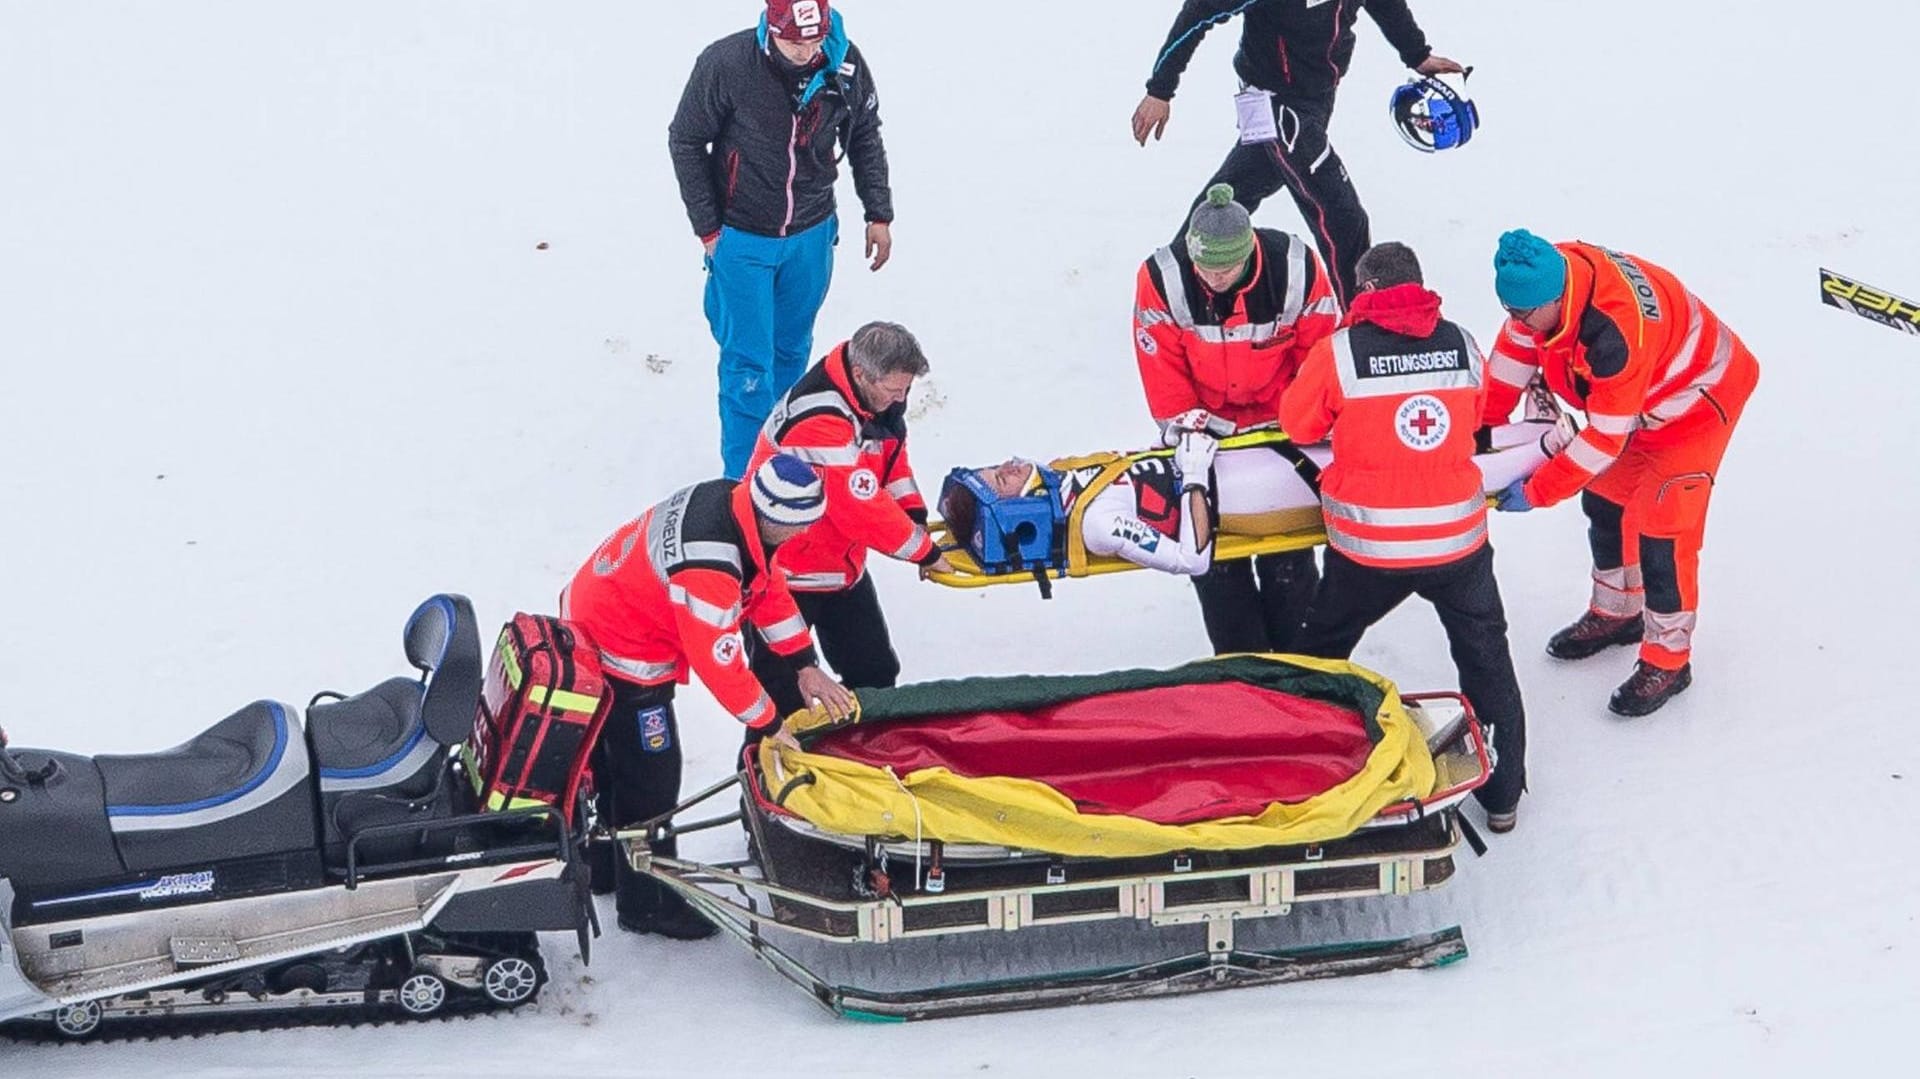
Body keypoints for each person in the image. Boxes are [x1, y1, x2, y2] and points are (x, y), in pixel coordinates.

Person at [1276, 241, 1526, 832]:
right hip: (1458, 546)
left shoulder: (1340, 353)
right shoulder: (1463, 342)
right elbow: (1477, 415)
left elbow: (1297, 423)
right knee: (1487, 659)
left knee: (1319, 656)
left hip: (1370, 551)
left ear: (1364, 291)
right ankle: (1505, 796)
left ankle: (1299, 769)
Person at [561, 453, 855, 938]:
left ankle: (606, 865)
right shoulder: (710, 565)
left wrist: (804, 664)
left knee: (616, 764)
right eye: (803, 527)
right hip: (623, 646)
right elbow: (719, 659)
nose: (806, 536)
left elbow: (765, 588)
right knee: (651, 777)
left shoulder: (737, 503)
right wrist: (770, 724)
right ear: (779, 520)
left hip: (603, 604)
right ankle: (647, 904)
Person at [1483, 230, 1760, 717]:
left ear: (1555, 300)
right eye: (1509, 311)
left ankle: (1668, 659)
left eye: (1523, 314)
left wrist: (1536, 490)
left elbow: (1603, 441)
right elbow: (1510, 362)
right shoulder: (1543, 288)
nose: (1516, 322)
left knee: (1663, 534)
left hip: (1695, 404)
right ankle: (1617, 612)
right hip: (1638, 404)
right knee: (1606, 502)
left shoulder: (1614, 333)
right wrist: (1479, 433)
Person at [669, 0, 895, 479]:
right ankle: (742, 483)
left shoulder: (846, 63)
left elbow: (865, 136)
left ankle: (786, 465)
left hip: (812, 235)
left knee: (792, 352)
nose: (806, 50)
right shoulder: (726, 64)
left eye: (815, 39)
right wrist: (709, 227)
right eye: (793, 41)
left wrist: (878, 212)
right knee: (747, 367)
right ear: (770, 30)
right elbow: (686, 139)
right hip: (742, 237)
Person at [940, 412, 1566, 579]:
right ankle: (1546, 449)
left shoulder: (1071, 484)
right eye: (1000, 476)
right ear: (1014, 511)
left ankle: (1526, 430)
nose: (1010, 464)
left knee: (1382, 431)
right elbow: (1193, 557)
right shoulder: (1099, 523)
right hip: (1251, 494)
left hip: (1242, 460)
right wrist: (1188, 473)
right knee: (1403, 476)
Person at [1131, 1, 1464, 305]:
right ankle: (1363, 320)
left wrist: (1416, 53)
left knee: (1237, 189)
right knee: (1342, 215)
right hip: (1274, 103)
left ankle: (1166, 286)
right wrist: (1160, 90)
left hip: (1316, 100)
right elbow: (1198, 13)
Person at [1134, 183, 1341, 654]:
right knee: (1214, 564)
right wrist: (1196, 439)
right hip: (1203, 432)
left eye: (1225, 268)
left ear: (1248, 252)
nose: (1214, 278)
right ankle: (1240, 664)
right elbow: (1164, 377)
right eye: (1204, 268)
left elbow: (1319, 361)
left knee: (1287, 556)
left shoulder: (1297, 269)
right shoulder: (1161, 280)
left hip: (1283, 431)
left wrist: (1297, 428)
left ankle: (1298, 664)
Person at [744, 321, 952, 716]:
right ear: (861, 374)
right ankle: (766, 772)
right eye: (895, 391)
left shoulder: (874, 398)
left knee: (875, 673)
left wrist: (914, 515)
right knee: (782, 700)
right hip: (786, 576)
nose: (901, 399)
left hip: (841, 568)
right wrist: (925, 552)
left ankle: (864, 759)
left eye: (906, 390)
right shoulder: (820, 419)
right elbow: (858, 507)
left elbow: (890, 464)